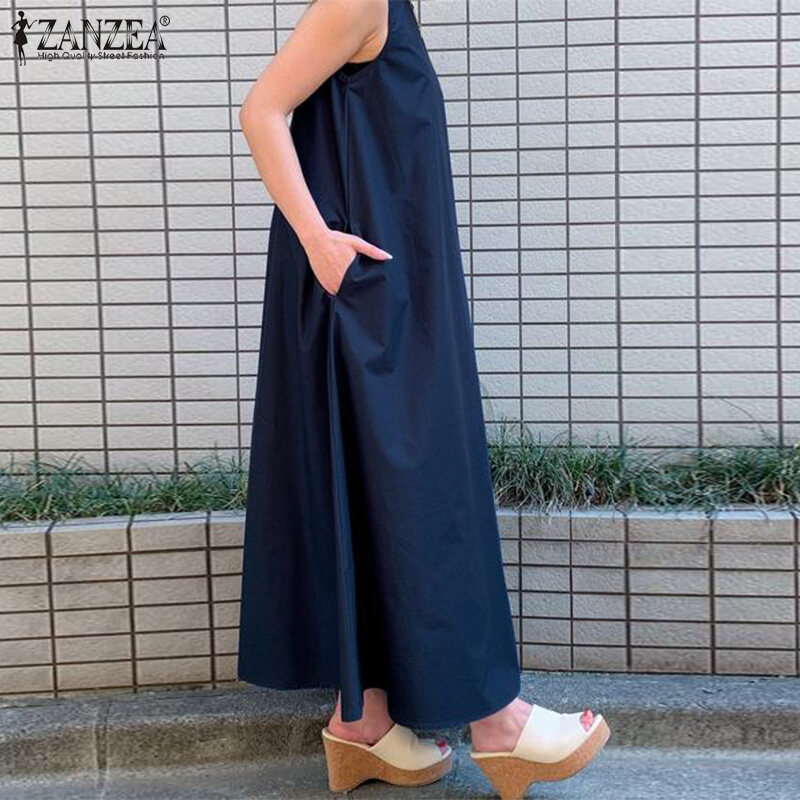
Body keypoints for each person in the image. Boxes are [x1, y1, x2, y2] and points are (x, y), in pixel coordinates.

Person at [236, 1, 610, 796]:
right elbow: (262, 110)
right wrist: (320, 242)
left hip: (384, 294)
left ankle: (364, 720)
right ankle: (498, 722)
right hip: (370, 298)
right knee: (427, 492)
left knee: (379, 488)